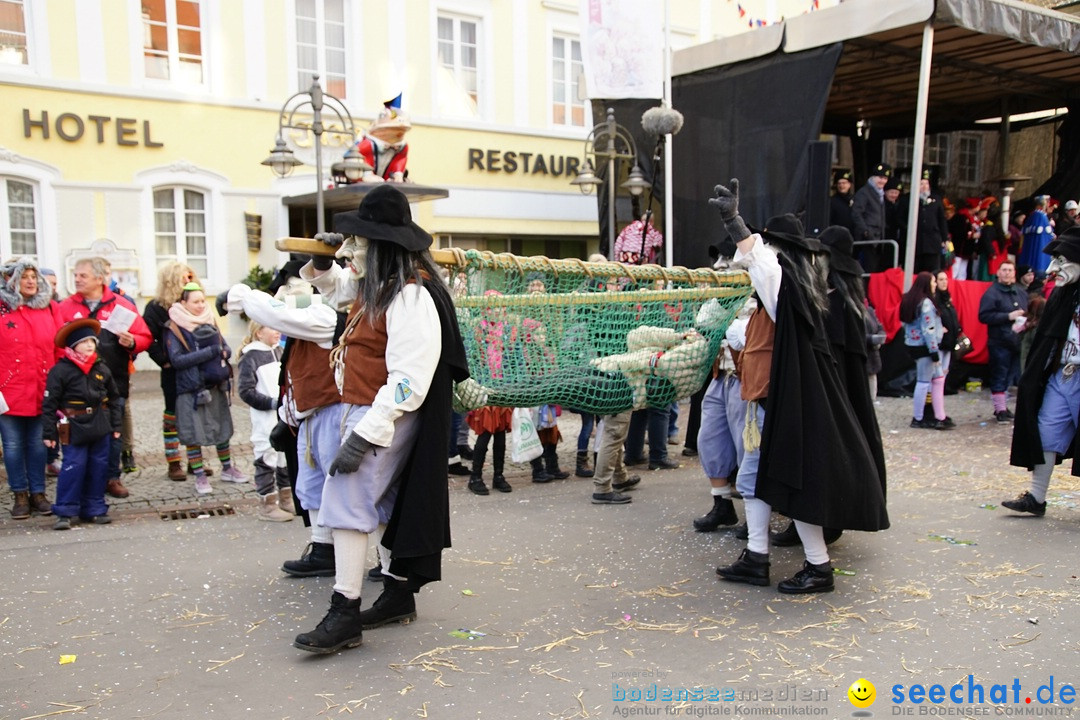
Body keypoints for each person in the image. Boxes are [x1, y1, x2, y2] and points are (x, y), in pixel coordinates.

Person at [292, 184, 468, 654]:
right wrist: (327, 261)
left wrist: (366, 433)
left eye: (359, 242)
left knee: (347, 503)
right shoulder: (380, 287)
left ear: (384, 247)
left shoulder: (411, 297)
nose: (351, 250)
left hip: (383, 413)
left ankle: (344, 610)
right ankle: (396, 594)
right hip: (365, 410)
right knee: (388, 503)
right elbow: (337, 288)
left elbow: (409, 380)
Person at [710, 179, 888, 594]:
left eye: (771, 248)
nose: (761, 256)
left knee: (795, 482)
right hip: (774, 403)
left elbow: (765, 268)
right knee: (757, 479)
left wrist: (735, 222)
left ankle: (818, 566)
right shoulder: (790, 294)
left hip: (788, 405)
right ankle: (757, 556)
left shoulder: (786, 289)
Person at [57, 257, 151, 499]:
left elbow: (145, 337)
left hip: (113, 383)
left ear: (99, 279)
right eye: (75, 275)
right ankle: (85, 480)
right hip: (76, 387)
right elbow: (55, 343)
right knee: (80, 435)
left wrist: (133, 342)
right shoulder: (65, 307)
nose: (76, 279)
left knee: (113, 434)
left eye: (82, 275)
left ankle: (112, 478)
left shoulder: (122, 305)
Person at [1005, 227, 1080, 516]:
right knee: (1046, 433)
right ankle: (1036, 497)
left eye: (1061, 260)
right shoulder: (1062, 296)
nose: (1052, 269)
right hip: (1062, 374)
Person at [163, 282, 246, 494]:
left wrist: (224, 352)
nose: (201, 305)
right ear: (184, 303)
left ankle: (227, 468)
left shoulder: (210, 320)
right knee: (194, 434)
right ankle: (200, 476)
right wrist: (211, 352)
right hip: (191, 388)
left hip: (215, 384)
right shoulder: (174, 327)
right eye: (195, 302)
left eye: (202, 301)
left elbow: (223, 346)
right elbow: (177, 360)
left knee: (222, 429)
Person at [42, 319, 123, 529]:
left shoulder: (101, 368)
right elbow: (49, 404)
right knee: (73, 466)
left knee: (98, 466)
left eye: (92, 341)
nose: (89, 345)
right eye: (84, 341)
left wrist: (116, 427)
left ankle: (94, 509)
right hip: (73, 424)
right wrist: (49, 433)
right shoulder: (60, 371)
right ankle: (65, 510)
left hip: (99, 423)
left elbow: (114, 399)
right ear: (72, 345)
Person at [0, 259, 63, 519]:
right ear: (10, 281)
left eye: (33, 276)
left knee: (39, 444)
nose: (30, 281)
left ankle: (39, 493)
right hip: (9, 391)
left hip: (42, 388)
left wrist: (62, 382)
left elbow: (60, 344)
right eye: (24, 276)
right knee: (13, 446)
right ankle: (20, 495)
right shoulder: (4, 310)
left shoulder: (49, 308)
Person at [143, 262, 214, 482]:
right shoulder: (156, 307)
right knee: (172, 415)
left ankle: (196, 462)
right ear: (171, 280)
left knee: (196, 414)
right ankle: (174, 462)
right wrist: (164, 361)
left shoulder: (194, 303)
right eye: (183, 276)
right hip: (174, 371)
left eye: (190, 275)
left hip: (197, 368)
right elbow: (148, 338)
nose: (188, 279)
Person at [691, 298, 749, 532]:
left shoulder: (765, 281)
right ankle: (722, 504)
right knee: (710, 440)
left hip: (746, 376)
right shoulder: (729, 288)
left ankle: (756, 517)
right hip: (722, 374)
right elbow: (704, 320)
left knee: (748, 445)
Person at [237, 320, 294, 522]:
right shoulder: (251, 356)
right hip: (265, 416)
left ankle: (286, 498)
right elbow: (245, 391)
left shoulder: (279, 351)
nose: (278, 331)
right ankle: (267, 503)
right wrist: (271, 403)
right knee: (266, 456)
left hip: (282, 413)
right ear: (259, 332)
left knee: (283, 456)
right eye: (272, 327)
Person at [978, 261, 1028, 422]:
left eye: (1010, 270)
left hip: (1017, 341)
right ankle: (999, 409)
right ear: (998, 273)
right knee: (999, 375)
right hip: (999, 341)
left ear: (1014, 273)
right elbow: (983, 316)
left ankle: (1004, 407)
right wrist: (1008, 316)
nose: (1007, 273)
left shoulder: (1021, 293)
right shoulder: (991, 293)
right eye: (1004, 270)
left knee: (1010, 377)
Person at [901, 272, 950, 430]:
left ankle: (939, 415)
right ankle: (918, 417)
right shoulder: (926, 303)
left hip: (915, 345)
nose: (935, 284)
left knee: (938, 379)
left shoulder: (911, 300)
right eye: (934, 281)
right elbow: (928, 329)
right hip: (925, 348)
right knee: (923, 382)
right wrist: (934, 351)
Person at [344, 100, 410, 183]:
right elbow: (360, 159)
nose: (398, 134)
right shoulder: (368, 143)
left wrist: (397, 173)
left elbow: (400, 160)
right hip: (363, 180)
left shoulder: (402, 147)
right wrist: (367, 174)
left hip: (384, 180)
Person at [897, 171, 949, 274]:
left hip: (932, 244)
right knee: (914, 273)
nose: (924, 186)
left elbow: (941, 220)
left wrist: (945, 239)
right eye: (921, 183)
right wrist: (908, 229)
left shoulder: (936, 199)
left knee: (933, 273)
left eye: (926, 183)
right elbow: (899, 218)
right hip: (915, 244)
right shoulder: (906, 200)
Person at [851, 163, 891, 272]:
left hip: (879, 240)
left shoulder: (880, 194)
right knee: (867, 270)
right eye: (880, 178)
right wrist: (866, 231)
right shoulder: (864, 193)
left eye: (885, 178)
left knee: (875, 272)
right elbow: (856, 214)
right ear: (873, 177)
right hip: (867, 240)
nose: (882, 181)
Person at [934, 270, 961, 422]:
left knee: (942, 377)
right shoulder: (934, 300)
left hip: (949, 343)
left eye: (946, 279)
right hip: (939, 343)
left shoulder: (947, 299)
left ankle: (939, 411)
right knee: (936, 378)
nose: (944, 282)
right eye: (941, 279)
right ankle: (935, 412)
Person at [1018, 196, 1055, 273]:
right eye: (1047, 202)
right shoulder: (1041, 216)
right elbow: (1048, 236)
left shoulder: (1033, 215)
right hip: (1040, 254)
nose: (1048, 205)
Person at [828, 168, 855, 234]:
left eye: (844, 183)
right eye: (839, 183)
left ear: (849, 184)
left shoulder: (855, 199)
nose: (841, 186)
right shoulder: (832, 201)